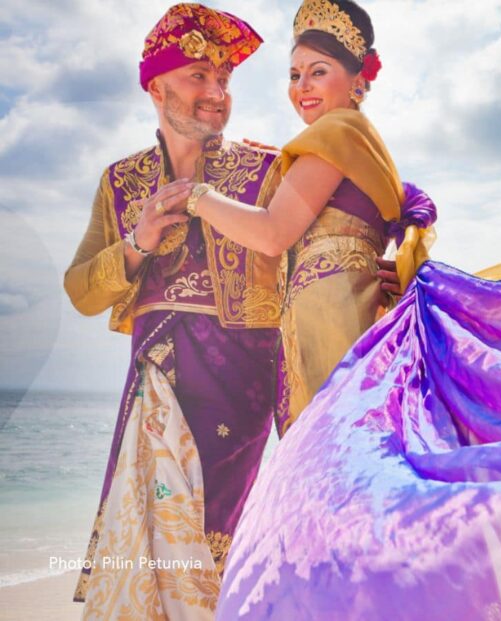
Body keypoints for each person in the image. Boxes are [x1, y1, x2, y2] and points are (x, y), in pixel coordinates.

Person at [61, 4, 395, 617]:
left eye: (226, 80)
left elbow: (343, 228)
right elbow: (81, 290)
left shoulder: (266, 169)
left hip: (238, 380)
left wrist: (386, 262)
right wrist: (137, 243)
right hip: (152, 379)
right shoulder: (120, 183)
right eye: (198, 76)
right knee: (144, 556)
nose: (217, 94)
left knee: (216, 558)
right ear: (156, 87)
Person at [169, 0, 436, 434]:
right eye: (294, 75)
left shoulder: (334, 133)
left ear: (358, 79)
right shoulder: (361, 142)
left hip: (328, 321)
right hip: (349, 317)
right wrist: (282, 162)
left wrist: (197, 196)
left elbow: (272, 233)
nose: (302, 87)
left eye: (318, 71)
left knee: (325, 467)